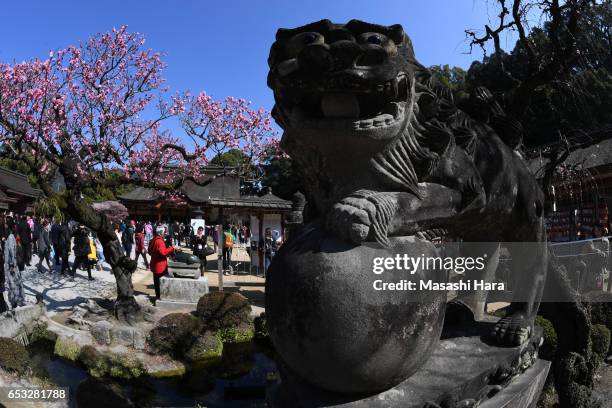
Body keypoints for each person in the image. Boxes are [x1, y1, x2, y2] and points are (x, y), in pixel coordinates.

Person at [148, 226, 175, 299]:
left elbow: (149, 251)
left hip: (154, 263)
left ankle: (158, 296)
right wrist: (172, 248)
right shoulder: (159, 241)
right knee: (161, 283)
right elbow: (163, 252)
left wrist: (155, 255)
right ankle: (161, 297)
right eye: (164, 232)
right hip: (160, 265)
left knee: (156, 282)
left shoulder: (153, 239)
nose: (165, 233)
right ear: (161, 233)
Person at [5, 228, 25, 308]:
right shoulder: (11, 237)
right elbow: (12, 250)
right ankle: (17, 300)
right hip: (13, 265)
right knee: (15, 282)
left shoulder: (10, 237)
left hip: (12, 265)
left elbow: (11, 250)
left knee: (14, 282)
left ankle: (16, 300)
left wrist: (12, 263)